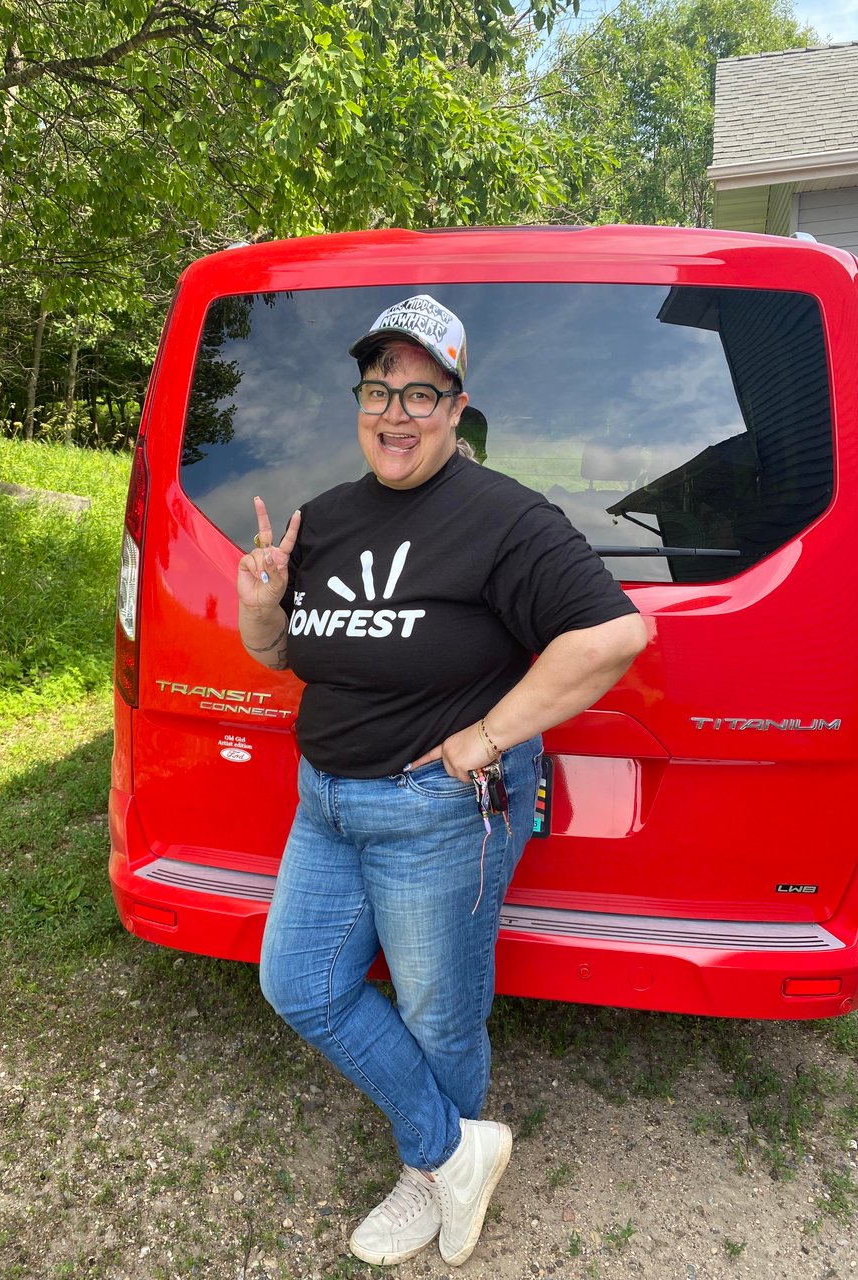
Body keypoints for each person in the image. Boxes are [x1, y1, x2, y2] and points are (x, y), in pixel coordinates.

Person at [237, 293, 647, 1268]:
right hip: (326, 802)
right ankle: (456, 1153)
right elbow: (280, 654)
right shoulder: (326, 519)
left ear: (457, 408)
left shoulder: (502, 517)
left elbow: (615, 635)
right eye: (379, 390)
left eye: (421, 393)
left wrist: (488, 736)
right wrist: (261, 602)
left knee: (438, 1014)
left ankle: (430, 1177)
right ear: (360, 402)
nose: (396, 413)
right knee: (298, 983)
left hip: (438, 814)